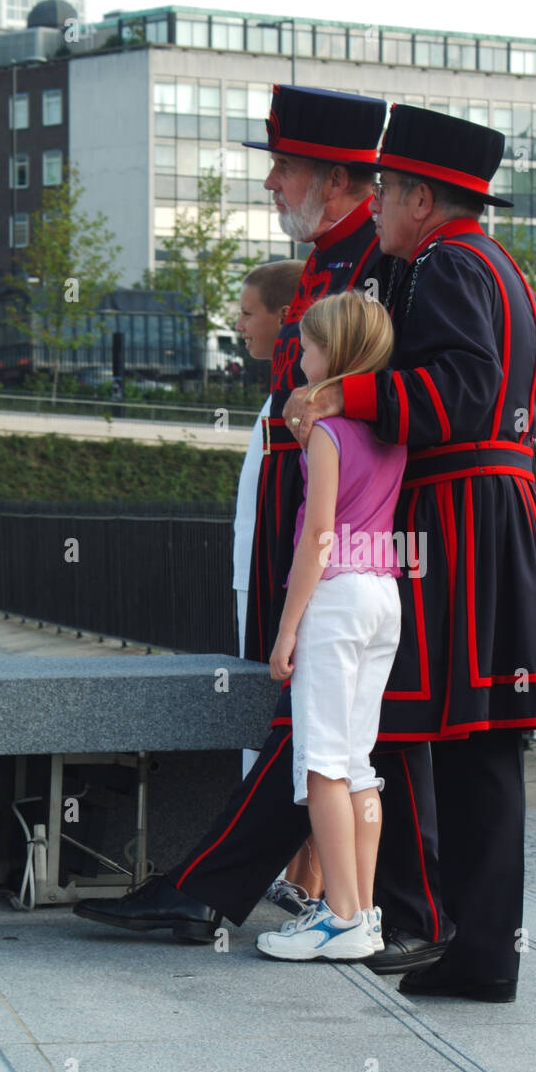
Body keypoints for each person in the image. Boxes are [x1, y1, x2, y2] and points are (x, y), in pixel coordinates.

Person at [74, 87, 451, 973]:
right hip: (338, 552)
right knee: (331, 747)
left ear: (330, 177)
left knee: (326, 747)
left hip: (339, 552)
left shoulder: (372, 265)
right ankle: (326, 901)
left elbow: (392, 398)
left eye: (282, 167)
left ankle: (314, 902)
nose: (272, 182)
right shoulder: (332, 258)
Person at [287, 104, 536, 1001]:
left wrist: (348, 394)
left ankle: (474, 952)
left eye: (385, 191)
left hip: (461, 515)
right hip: (498, 506)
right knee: (477, 746)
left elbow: (457, 392)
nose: (375, 206)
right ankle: (474, 946)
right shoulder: (493, 264)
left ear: (423, 198)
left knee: (467, 744)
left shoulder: (448, 265)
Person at [257, 292, 405, 961]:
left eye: (310, 346)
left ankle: (340, 916)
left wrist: (287, 629)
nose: (302, 355)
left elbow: (318, 534)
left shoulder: (325, 433)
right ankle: (362, 912)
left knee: (320, 764)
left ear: (333, 353)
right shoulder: (384, 428)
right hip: (382, 593)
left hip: (337, 595)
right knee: (358, 765)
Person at [231, 258, 323, 911]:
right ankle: (290, 872)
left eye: (246, 312)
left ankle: (309, 879)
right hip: (258, 577)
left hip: (290, 586)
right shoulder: (275, 402)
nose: (238, 325)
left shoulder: (300, 411)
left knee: (311, 737)